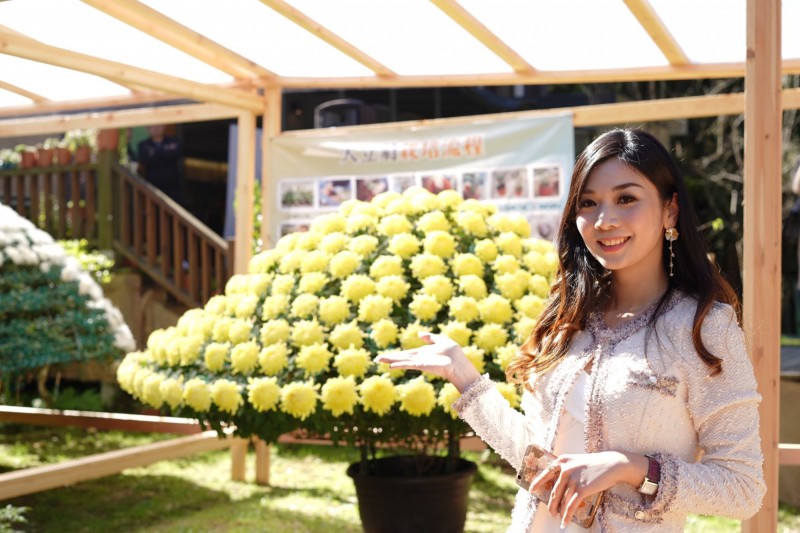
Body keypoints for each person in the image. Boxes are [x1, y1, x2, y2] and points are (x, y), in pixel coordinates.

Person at [376, 128, 765, 532]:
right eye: (589, 202)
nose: (604, 220)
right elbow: (537, 460)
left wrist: (629, 467)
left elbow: (742, 488)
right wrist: (464, 376)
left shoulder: (703, 327)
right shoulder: (566, 317)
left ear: (670, 210)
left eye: (626, 199)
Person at [137, 125, 183, 204]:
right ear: (147, 129)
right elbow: (145, 160)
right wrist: (165, 152)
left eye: (159, 125)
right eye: (152, 126)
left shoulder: (174, 141)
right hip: (153, 186)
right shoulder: (143, 145)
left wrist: (156, 153)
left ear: (164, 126)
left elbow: (177, 154)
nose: (156, 128)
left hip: (173, 186)